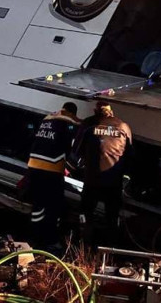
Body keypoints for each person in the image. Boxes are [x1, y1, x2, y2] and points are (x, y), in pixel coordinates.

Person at [27, 102, 80, 248]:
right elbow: (74, 147)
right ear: (73, 112)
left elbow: (33, 134)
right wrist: (70, 167)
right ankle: (49, 240)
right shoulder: (71, 122)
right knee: (53, 205)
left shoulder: (48, 118)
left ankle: (34, 237)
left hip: (34, 165)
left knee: (38, 204)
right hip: (51, 168)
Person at [79, 101, 133, 243]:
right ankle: (110, 251)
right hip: (114, 182)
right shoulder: (123, 127)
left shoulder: (88, 124)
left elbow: (76, 151)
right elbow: (130, 155)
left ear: (95, 110)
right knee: (112, 218)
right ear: (111, 111)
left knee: (86, 215)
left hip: (92, 180)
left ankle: (84, 248)